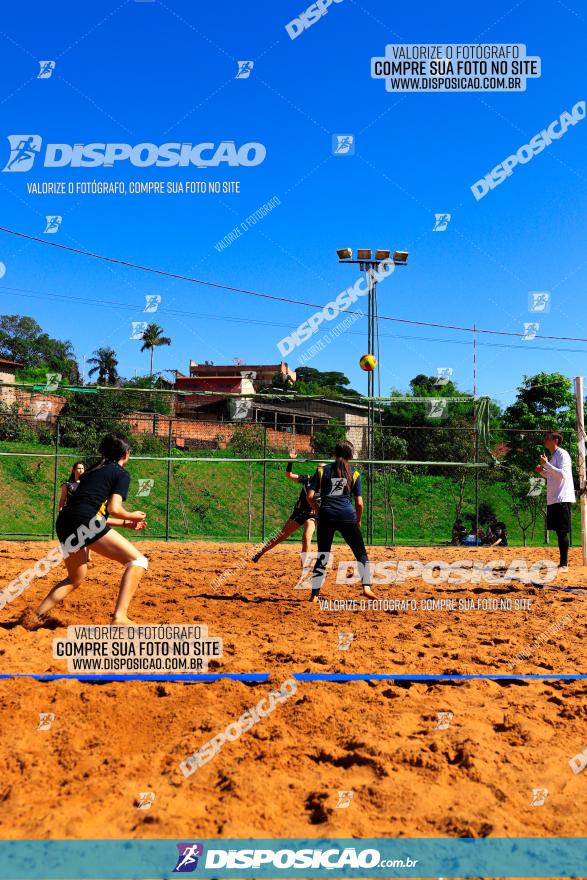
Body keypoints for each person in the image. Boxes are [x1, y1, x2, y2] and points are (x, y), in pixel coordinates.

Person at [25, 433, 149, 628]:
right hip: (84, 521)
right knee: (138, 561)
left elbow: (91, 512)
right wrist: (134, 515)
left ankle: (34, 617)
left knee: (75, 578)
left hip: (66, 521)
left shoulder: (93, 471)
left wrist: (125, 524)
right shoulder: (121, 473)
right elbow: (113, 509)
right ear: (126, 453)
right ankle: (120, 617)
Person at [306, 440, 375, 603]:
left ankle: (314, 594)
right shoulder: (355, 474)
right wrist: (357, 520)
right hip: (347, 515)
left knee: (323, 555)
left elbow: (310, 496)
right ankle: (367, 587)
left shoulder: (322, 471)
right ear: (350, 456)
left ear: (334, 454)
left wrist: (317, 509)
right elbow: (359, 503)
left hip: (326, 515)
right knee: (360, 553)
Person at [252, 449, 320, 565]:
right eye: (319, 470)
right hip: (299, 513)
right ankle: (261, 551)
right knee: (280, 536)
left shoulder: (328, 485)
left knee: (306, 537)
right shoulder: (307, 479)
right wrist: (291, 460)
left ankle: (304, 565)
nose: (322, 473)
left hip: (312, 515)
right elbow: (289, 475)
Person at [535, 430, 576, 572]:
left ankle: (564, 564)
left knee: (562, 532)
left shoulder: (563, 454)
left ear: (556, 440)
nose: (545, 440)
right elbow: (552, 475)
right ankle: (562, 563)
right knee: (559, 532)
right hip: (554, 498)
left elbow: (563, 475)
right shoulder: (553, 457)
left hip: (562, 498)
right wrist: (542, 470)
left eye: (547, 438)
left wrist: (547, 465)